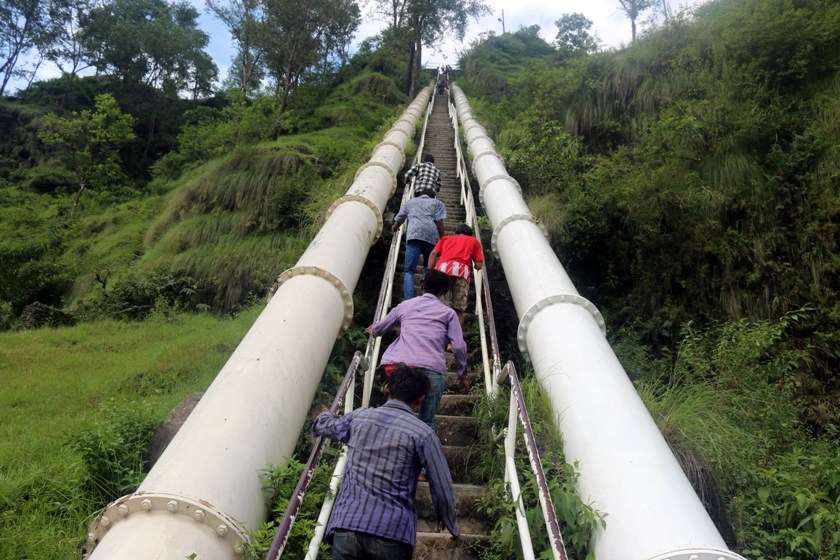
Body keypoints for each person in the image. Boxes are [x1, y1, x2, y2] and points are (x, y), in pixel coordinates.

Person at [313, 364, 460, 560]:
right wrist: (450, 522)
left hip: (348, 524)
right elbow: (441, 483)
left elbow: (327, 426)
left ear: (387, 390)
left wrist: (324, 416)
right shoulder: (423, 434)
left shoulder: (359, 417)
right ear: (420, 400)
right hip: (392, 533)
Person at [366, 270, 469, 430]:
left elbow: (380, 328)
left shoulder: (405, 306)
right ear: (444, 292)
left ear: (422, 285)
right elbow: (459, 346)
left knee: (394, 416)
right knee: (426, 422)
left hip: (402, 367)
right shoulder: (448, 313)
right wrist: (461, 373)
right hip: (432, 369)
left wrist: (373, 330)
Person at [393, 189, 446, 301]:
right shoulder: (437, 203)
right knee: (428, 268)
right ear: (433, 196)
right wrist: (443, 238)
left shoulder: (410, 202)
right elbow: (439, 221)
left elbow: (399, 218)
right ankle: (425, 298)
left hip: (414, 235)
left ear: (420, 195)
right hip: (431, 236)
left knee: (409, 270)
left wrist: (395, 227)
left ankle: (409, 300)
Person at [427, 224, 484, 326]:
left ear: (456, 233)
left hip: (443, 270)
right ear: (470, 235)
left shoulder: (445, 239)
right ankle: (454, 339)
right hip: (462, 271)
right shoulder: (474, 241)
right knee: (458, 308)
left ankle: (439, 331)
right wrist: (475, 266)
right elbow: (479, 265)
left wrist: (430, 271)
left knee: (442, 305)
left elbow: (434, 253)